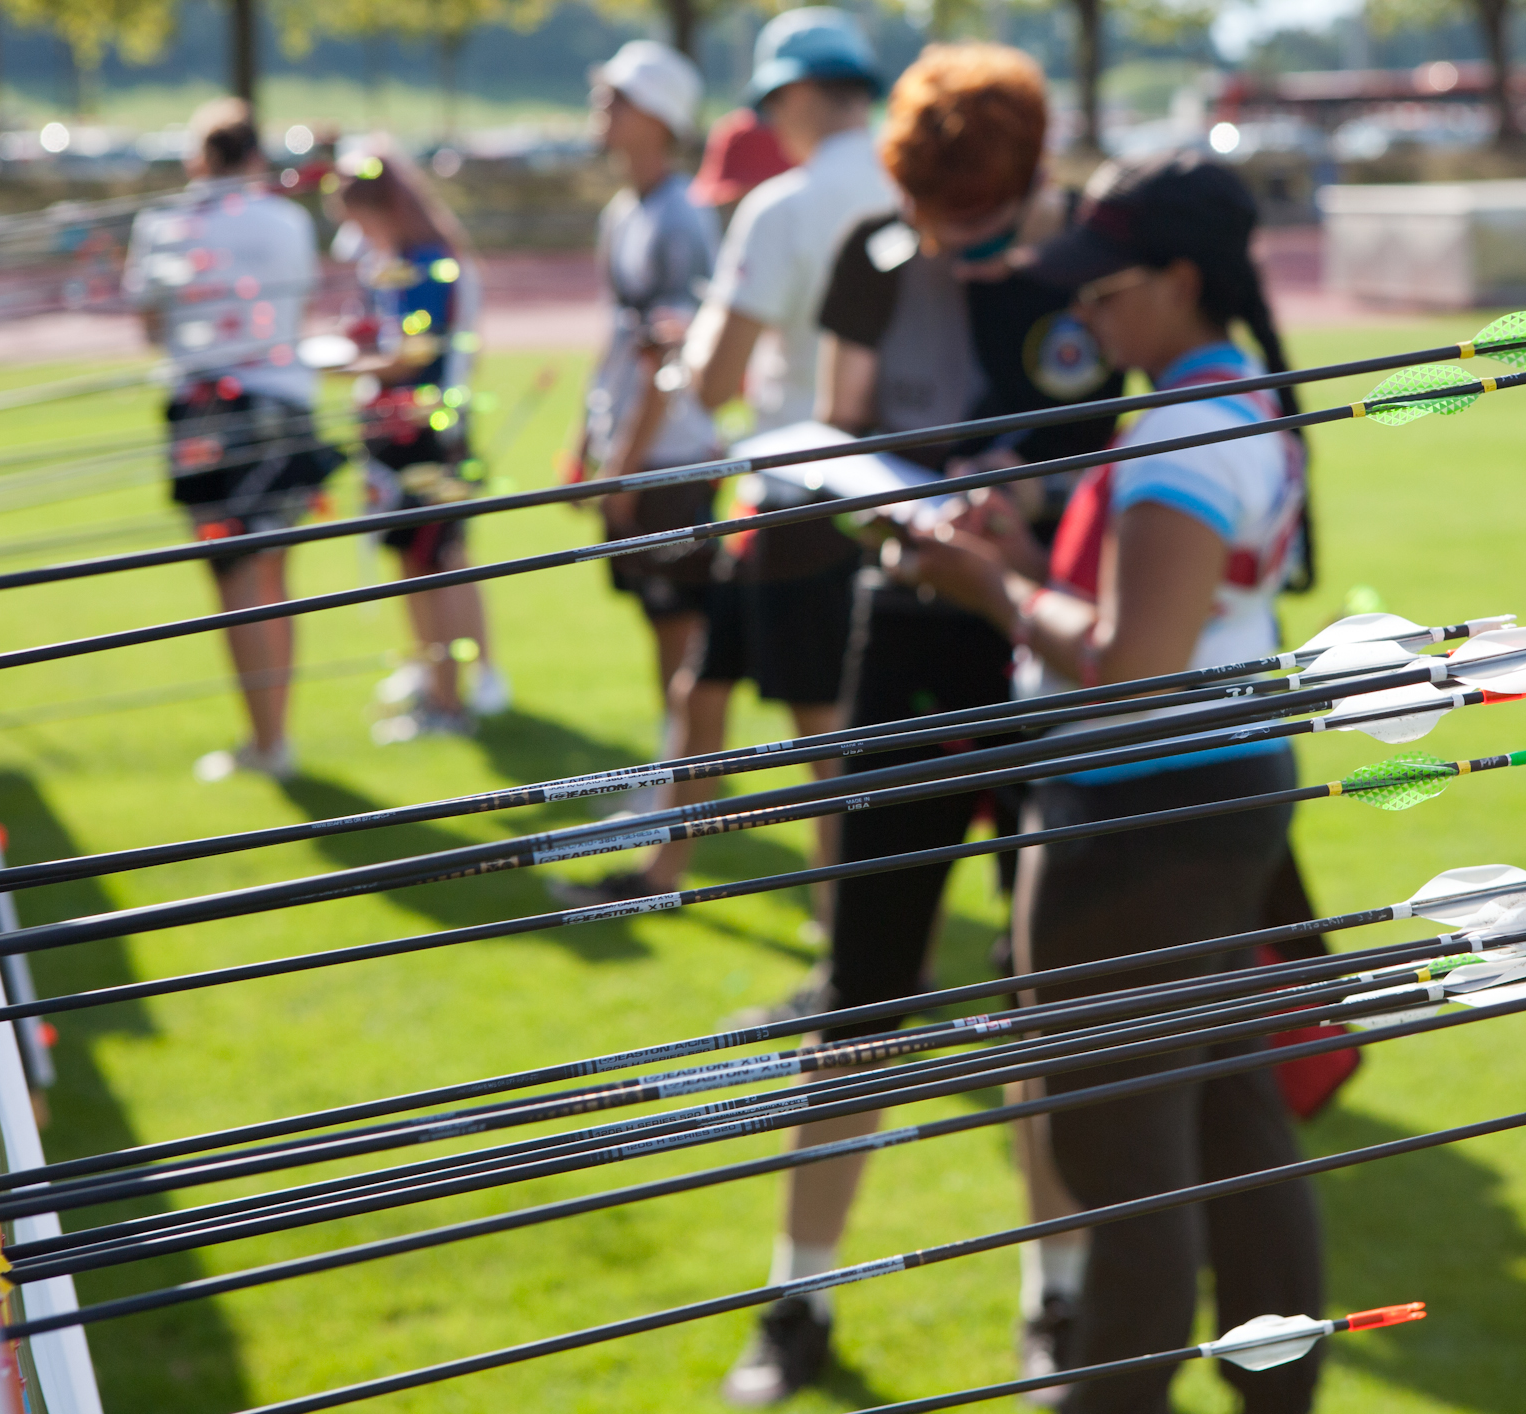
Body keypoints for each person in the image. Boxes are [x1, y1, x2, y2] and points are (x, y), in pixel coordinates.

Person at [722, 42, 1129, 1407]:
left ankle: (1056, 1297)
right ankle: (797, 1293)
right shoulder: (873, 258)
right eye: (932, 213)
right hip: (905, 640)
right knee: (862, 991)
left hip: (1051, 648)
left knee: (1043, 991)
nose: (953, 241)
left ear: (1028, 177)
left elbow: (1122, 458)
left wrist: (1027, 523)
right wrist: (899, 509)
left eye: (979, 216)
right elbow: (835, 431)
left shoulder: (1089, 267)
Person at [894, 150, 1326, 1414]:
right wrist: (1030, 558)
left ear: (1182, 279)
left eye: (1106, 289)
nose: (1083, 314)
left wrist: (988, 586)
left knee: (1121, 1159)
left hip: (1140, 817)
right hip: (1215, 799)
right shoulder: (1232, 397)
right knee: (1233, 1125)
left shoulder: (1183, 429)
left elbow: (1133, 669)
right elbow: (1165, 617)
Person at [552, 9, 891, 927]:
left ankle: (845, 946)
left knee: (820, 729)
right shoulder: (904, 186)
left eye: (771, 102)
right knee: (700, 688)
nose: (767, 121)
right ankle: (664, 871)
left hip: (795, 483)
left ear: (798, 94)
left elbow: (714, 379)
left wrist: (685, 346)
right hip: (874, 480)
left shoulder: (783, 205)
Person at [125, 97, 336, 784]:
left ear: (198, 159)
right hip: (281, 406)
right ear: (254, 156)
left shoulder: (163, 224)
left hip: (207, 416)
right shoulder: (287, 221)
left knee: (237, 582)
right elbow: (298, 308)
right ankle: (273, 737)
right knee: (271, 577)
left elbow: (150, 326)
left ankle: (266, 740)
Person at [330, 146, 508, 741]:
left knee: (434, 564)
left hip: (428, 436)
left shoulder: (429, 262)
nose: (360, 237)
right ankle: (436, 685)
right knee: (415, 563)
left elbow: (413, 356)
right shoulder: (402, 258)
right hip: (400, 436)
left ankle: (449, 703)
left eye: (361, 221)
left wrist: (347, 364)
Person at [564, 41, 720, 715]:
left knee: (679, 619)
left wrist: (622, 466)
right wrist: (586, 440)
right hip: (633, 451)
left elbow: (669, 357)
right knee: (657, 617)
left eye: (617, 98)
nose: (600, 105)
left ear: (657, 115)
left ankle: (683, 765)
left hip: (668, 454)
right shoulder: (624, 211)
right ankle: (674, 756)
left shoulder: (679, 217)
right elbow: (617, 338)